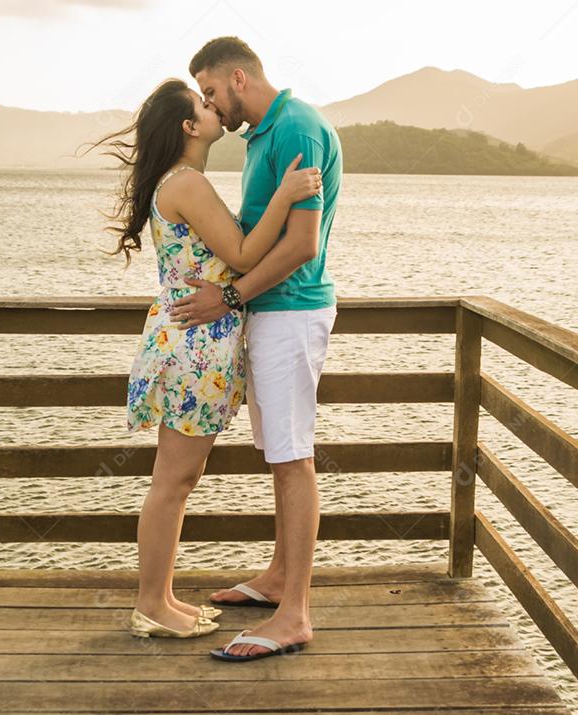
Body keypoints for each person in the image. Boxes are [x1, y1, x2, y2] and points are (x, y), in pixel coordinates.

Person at [90, 78, 322, 639]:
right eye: (202, 104)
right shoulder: (187, 183)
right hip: (193, 347)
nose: (213, 106)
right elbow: (242, 254)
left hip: (195, 342)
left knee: (179, 477)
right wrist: (287, 197)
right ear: (189, 128)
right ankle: (151, 604)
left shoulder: (182, 182)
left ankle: (162, 598)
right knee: (173, 480)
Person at [172, 36, 343, 661]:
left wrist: (231, 298)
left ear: (238, 78)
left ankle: (294, 613)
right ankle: (278, 577)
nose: (213, 106)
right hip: (269, 313)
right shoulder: (263, 136)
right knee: (277, 451)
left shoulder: (296, 126)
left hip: (291, 312)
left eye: (213, 92)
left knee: (293, 456)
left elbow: (302, 246)